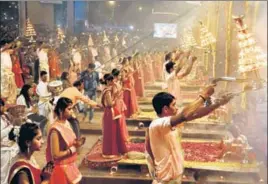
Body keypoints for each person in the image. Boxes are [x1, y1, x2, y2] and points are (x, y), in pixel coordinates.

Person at [145, 85, 233, 184]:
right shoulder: (158, 124)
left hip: (173, 179)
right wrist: (204, 96)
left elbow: (196, 114)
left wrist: (218, 103)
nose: (176, 108)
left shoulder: (170, 124)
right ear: (165, 109)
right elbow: (184, 115)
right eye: (174, 105)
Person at [46, 97, 85, 184]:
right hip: (60, 170)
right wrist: (73, 149)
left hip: (70, 166)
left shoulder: (66, 123)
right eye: (69, 109)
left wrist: (77, 143)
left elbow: (67, 143)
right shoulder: (55, 130)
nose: (72, 111)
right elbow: (55, 155)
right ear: (60, 110)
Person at [101, 74, 128, 157]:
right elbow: (110, 104)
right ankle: (111, 151)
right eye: (112, 80)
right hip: (110, 112)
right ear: (108, 81)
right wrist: (116, 98)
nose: (113, 82)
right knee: (111, 131)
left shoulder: (107, 89)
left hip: (110, 112)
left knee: (114, 130)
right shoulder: (108, 91)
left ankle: (115, 149)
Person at [0, 98, 19, 184]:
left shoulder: (3, 116)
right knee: (3, 174)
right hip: (2, 149)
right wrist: (10, 127)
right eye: (3, 106)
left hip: (8, 146)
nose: (4, 108)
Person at [112, 69, 129, 142]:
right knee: (119, 119)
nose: (120, 76)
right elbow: (114, 93)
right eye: (119, 75)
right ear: (115, 76)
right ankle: (119, 136)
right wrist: (121, 90)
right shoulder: (114, 84)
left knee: (122, 119)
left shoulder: (118, 83)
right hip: (117, 103)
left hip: (120, 102)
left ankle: (122, 136)